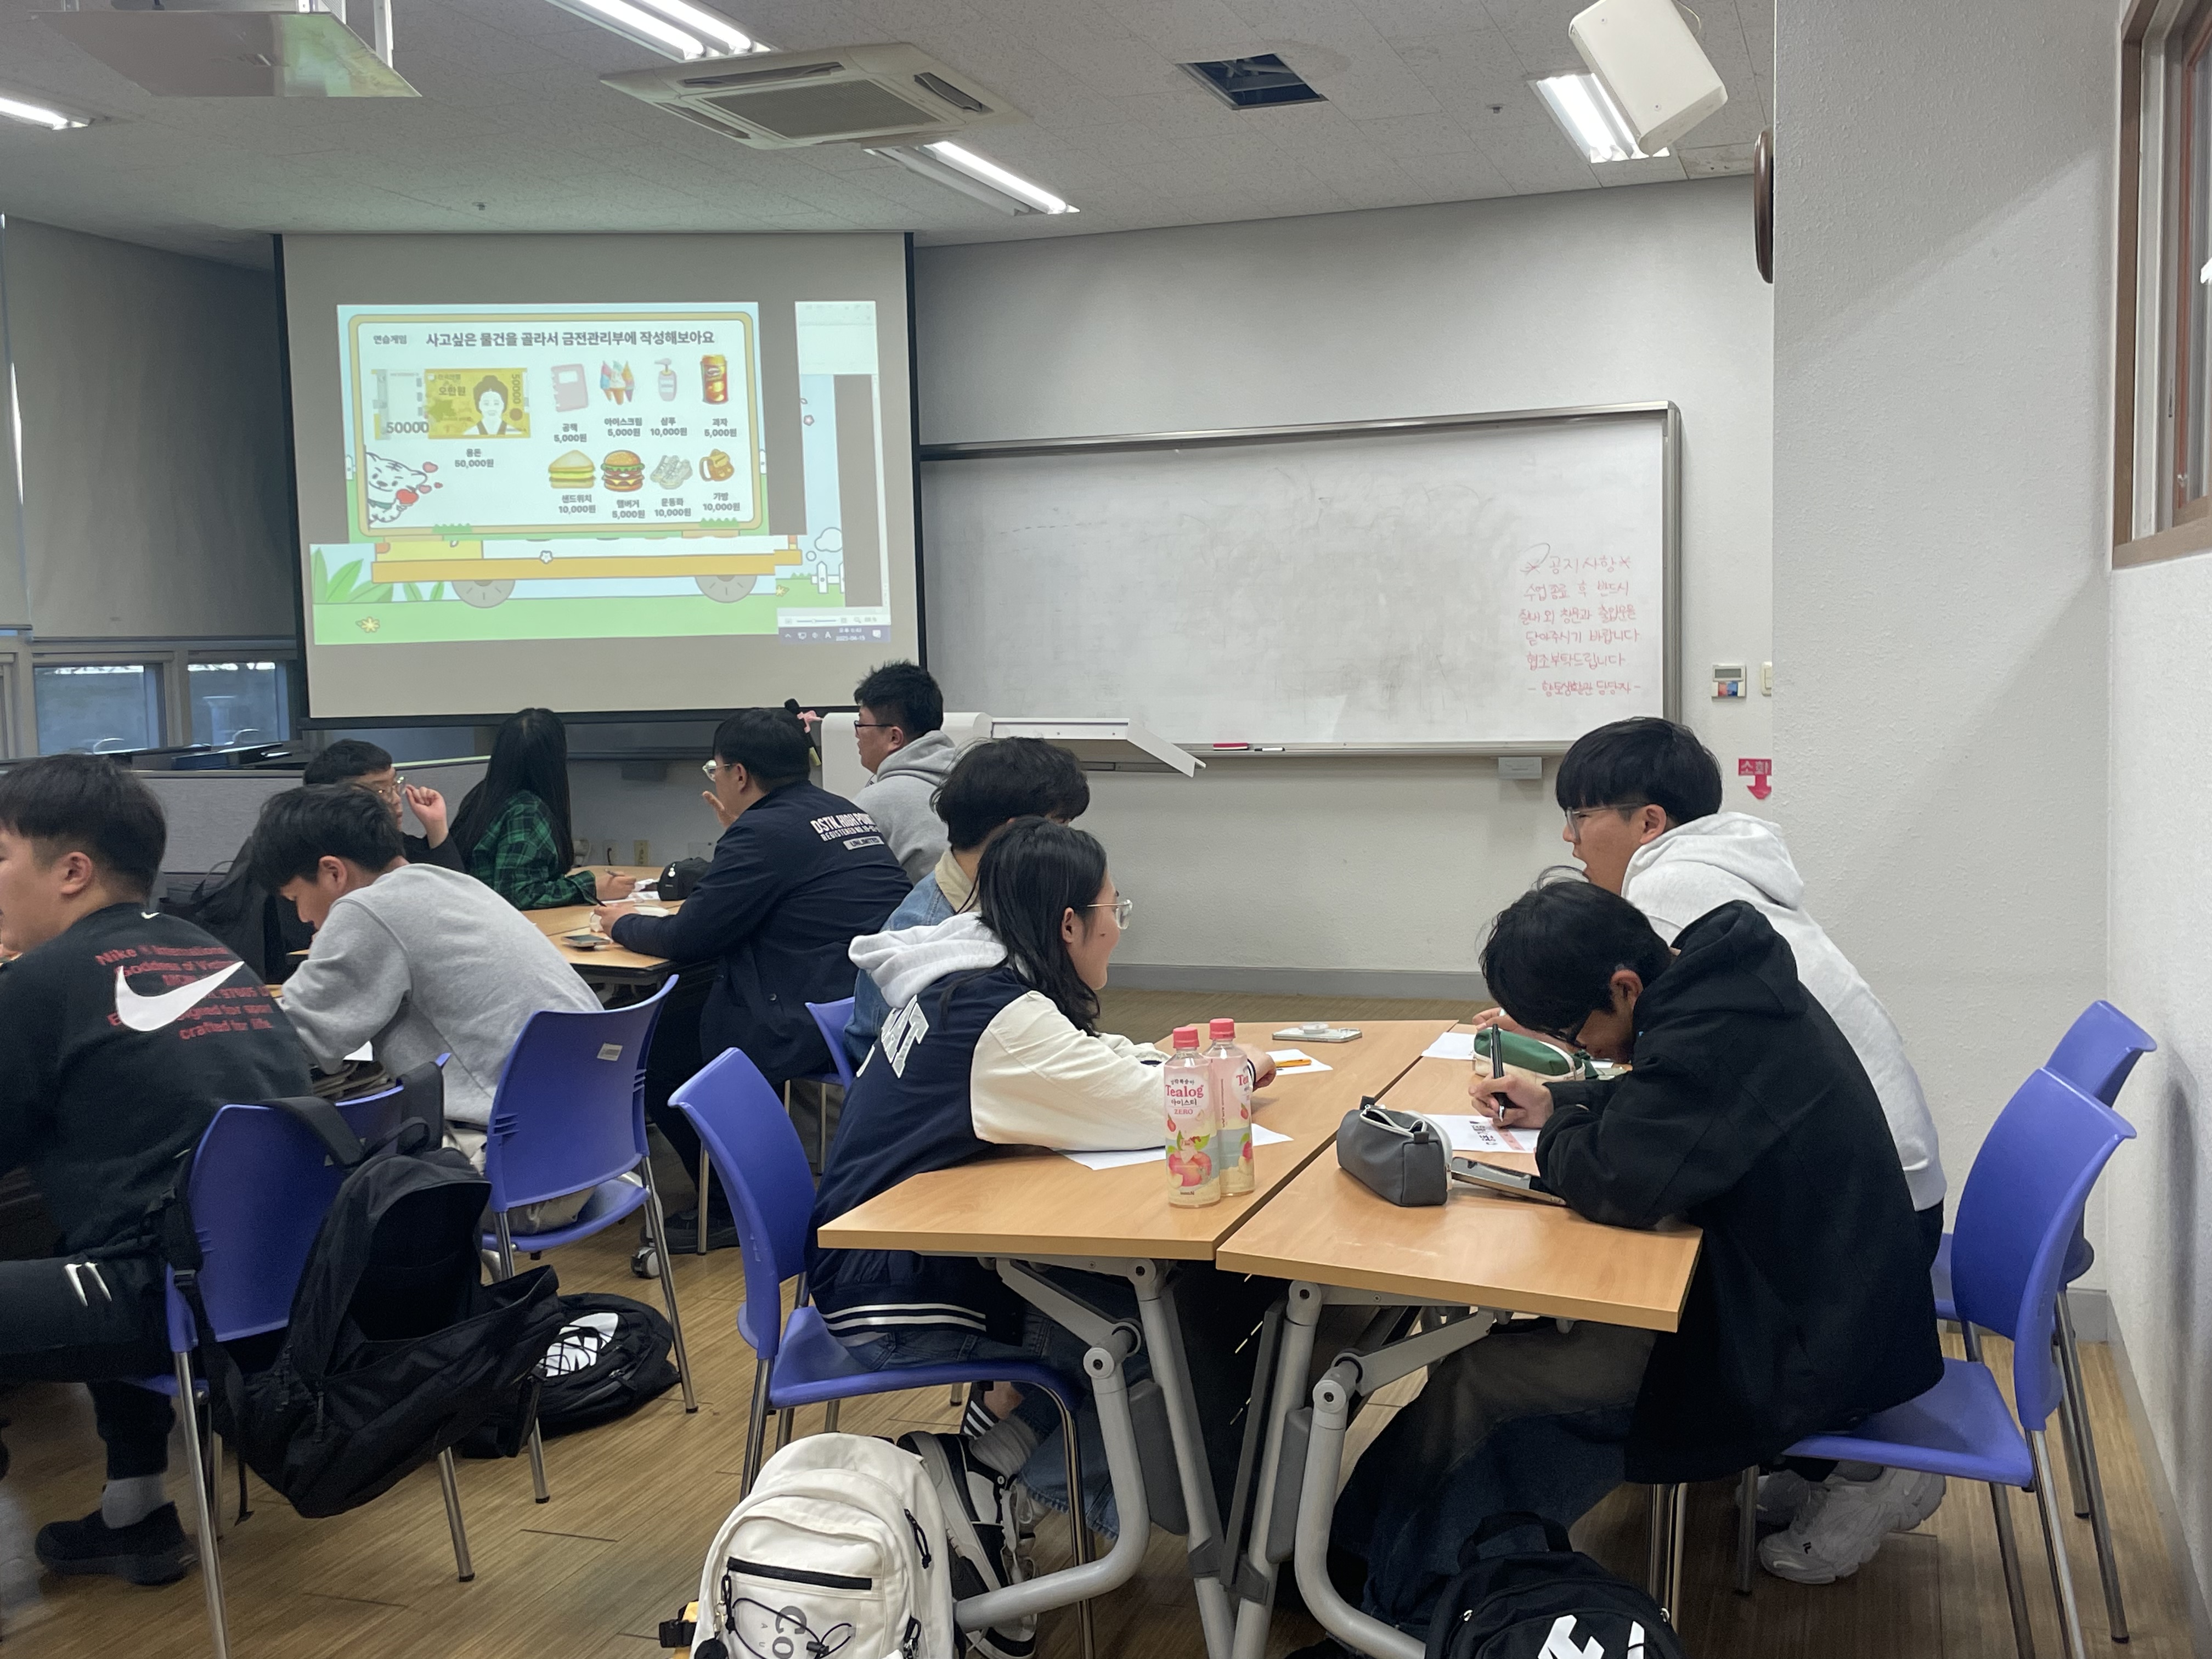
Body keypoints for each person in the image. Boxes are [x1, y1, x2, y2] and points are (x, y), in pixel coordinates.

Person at [1331, 879, 1944, 1632]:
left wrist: (1558, 1134)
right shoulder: (1723, 984)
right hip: (1804, 1291)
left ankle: (1406, 1610)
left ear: (1625, 987)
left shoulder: (1711, 1035)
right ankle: (1352, 1564)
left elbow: (1619, 1182)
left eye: (1573, 1031)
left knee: (1490, 1381)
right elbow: (1665, 1106)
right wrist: (1563, 1102)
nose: (1581, 1050)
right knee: (1483, 1368)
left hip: (1798, 1339)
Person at [806, 819, 1278, 1655]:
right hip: (890, 1284)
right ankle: (1034, 1480)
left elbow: (1088, 1065)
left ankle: (999, 1457)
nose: (1119, 927)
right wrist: (1230, 1071)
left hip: (894, 1248)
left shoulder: (972, 978)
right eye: (1113, 910)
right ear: (1068, 924)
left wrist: (1165, 1063)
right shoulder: (1003, 1021)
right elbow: (1152, 1111)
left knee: (1163, 1296)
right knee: (1151, 1317)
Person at [0, 755, 312, 1586]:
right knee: (88, 1235)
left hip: (176, 1295)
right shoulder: (209, 952)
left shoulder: (43, 983)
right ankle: (132, 1513)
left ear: (71, 871)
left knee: (102, 1246)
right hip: (284, 1286)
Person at [594, 707, 908, 1243]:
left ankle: (727, 1205)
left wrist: (620, 923)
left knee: (656, 1047)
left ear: (738, 774)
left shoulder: (764, 832)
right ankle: (736, 1181)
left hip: (808, 1013)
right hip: (865, 1000)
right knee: (690, 1012)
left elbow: (687, 938)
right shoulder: (840, 810)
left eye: (715, 769)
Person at [247, 785, 605, 1229]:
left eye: (295, 898)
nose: (301, 917)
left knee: (290, 1173)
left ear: (333, 871)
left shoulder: (367, 910)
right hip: (591, 1153)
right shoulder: (453, 884)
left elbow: (295, 1043)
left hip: (515, 1178)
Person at [843, 736, 1091, 1069]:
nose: (1067, 843)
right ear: (1015, 833)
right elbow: (912, 1064)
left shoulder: (1005, 898)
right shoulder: (930, 933)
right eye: (1060, 826)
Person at [454, 708, 633, 911]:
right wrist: (591, 888)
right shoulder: (526, 811)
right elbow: (517, 894)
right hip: (503, 922)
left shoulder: (481, 796)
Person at [850, 660, 958, 882]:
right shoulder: (969, 777)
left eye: (861, 724)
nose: (857, 734)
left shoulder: (875, 802)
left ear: (894, 737)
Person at [302, 738, 465, 870]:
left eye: (395, 785)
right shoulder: (310, 862)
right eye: (380, 791)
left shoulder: (400, 847)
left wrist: (436, 826)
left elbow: (457, 893)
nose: (395, 799)